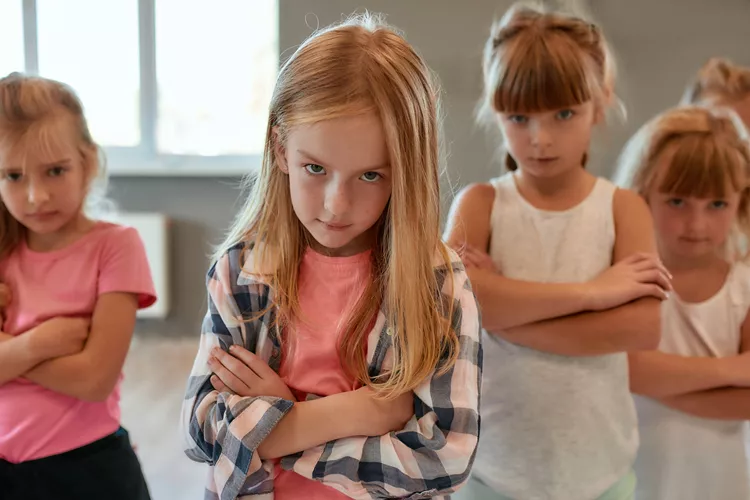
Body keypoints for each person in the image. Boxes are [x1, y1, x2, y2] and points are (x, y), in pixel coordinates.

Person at [180, 13, 482, 500]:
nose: (336, 205)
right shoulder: (241, 271)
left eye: (370, 176)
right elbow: (200, 431)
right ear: (280, 149)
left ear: (407, 169)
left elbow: (445, 456)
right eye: (315, 168)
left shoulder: (438, 283)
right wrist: (357, 412)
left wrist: (285, 428)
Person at [444, 4, 669, 499]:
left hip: (601, 475)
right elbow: (449, 307)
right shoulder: (479, 205)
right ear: (494, 111)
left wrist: (500, 313)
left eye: (563, 114)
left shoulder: (623, 209)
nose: (540, 138)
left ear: (600, 101)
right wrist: (594, 293)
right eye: (519, 117)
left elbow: (641, 328)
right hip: (490, 473)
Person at [0, 73, 156, 500]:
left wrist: (6, 350)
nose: (35, 196)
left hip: (90, 469)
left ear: (87, 163)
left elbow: (94, 380)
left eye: (54, 171)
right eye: (13, 176)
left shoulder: (116, 246)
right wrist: (35, 345)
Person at [615, 105, 750, 500]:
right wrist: (733, 369)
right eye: (677, 202)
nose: (697, 224)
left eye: (717, 205)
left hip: (724, 484)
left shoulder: (744, 285)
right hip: (632, 482)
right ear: (643, 195)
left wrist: (648, 375)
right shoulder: (627, 277)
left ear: (740, 202)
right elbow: (626, 369)